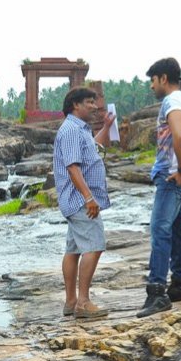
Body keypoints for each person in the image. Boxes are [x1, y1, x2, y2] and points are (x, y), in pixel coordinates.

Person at [137, 58, 181, 318]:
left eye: (153, 81)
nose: (151, 86)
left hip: (170, 178)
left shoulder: (171, 102)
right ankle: (180, 285)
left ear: (163, 78)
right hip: (178, 178)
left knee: (160, 230)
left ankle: (157, 292)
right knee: (178, 229)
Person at [53, 87, 116, 319]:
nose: (95, 106)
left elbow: (92, 150)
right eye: (89, 102)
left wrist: (106, 128)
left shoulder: (79, 129)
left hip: (76, 199)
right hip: (80, 199)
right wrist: (89, 198)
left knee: (73, 250)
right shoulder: (71, 130)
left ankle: (71, 302)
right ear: (75, 105)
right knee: (94, 246)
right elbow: (73, 167)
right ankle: (83, 302)